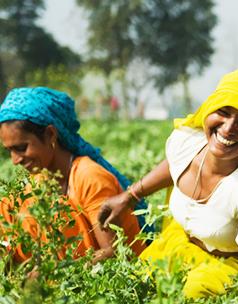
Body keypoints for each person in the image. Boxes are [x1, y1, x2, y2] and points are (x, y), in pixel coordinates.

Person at [98, 68, 238, 299]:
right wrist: (129, 196)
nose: (228, 128)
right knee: (135, 285)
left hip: (226, 265)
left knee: (195, 292)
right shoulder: (190, 139)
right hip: (180, 246)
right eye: (223, 112)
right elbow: (175, 164)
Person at [0, 87, 146, 263]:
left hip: (115, 281)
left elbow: (112, 254)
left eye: (21, 148)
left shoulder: (90, 177)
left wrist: (53, 272)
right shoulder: (37, 182)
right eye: (9, 151)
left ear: (50, 134)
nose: (15, 160)